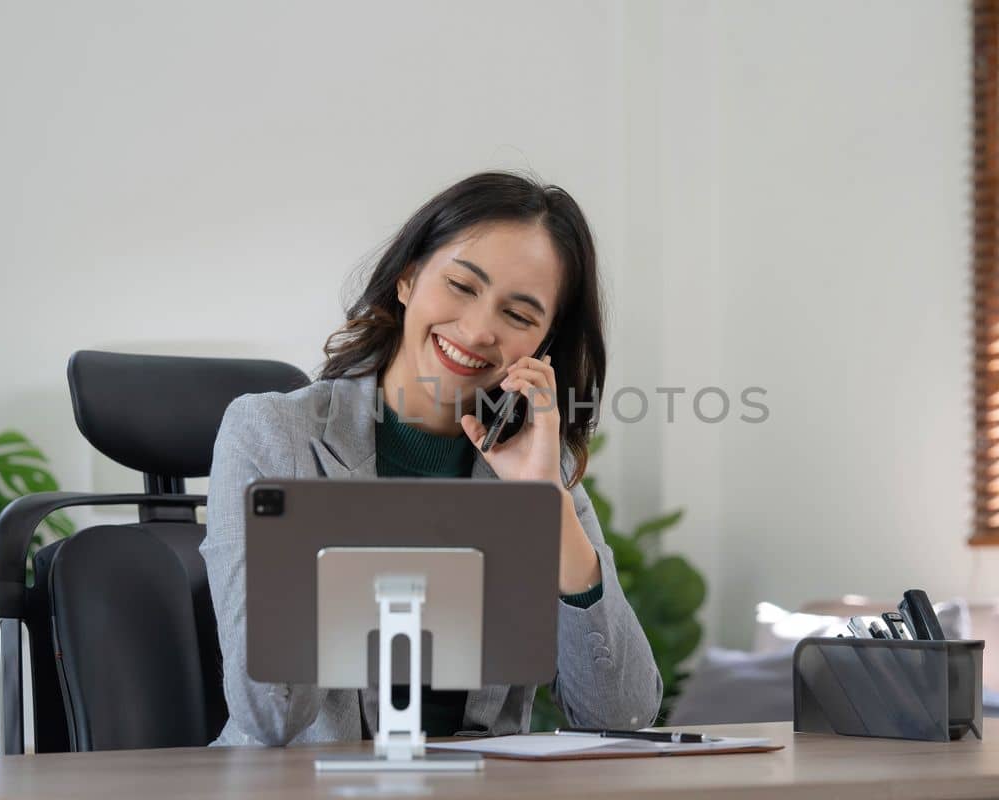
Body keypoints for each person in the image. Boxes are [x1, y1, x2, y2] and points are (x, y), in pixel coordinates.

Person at [201, 171, 663, 747]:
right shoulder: (272, 433)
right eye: (462, 286)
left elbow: (624, 716)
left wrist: (551, 507)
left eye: (518, 316)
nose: (476, 330)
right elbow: (271, 717)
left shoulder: (536, 466)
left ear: (543, 344)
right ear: (408, 276)